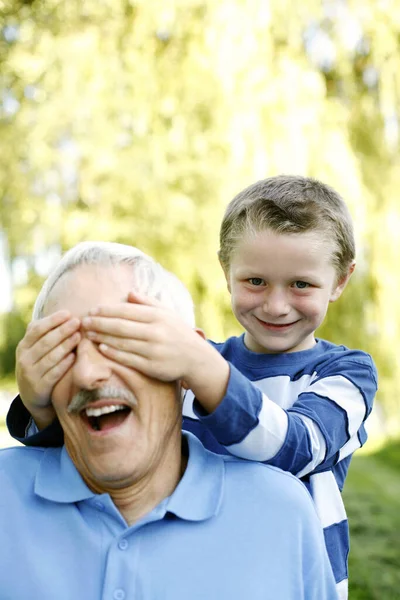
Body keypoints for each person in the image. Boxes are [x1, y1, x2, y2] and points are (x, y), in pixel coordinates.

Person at [7, 176, 377, 599]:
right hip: (187, 558)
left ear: (341, 281)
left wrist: (200, 366)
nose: (276, 305)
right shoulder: (200, 363)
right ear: (226, 272)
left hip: (283, 571)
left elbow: (297, 449)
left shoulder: (347, 373)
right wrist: (41, 408)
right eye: (255, 281)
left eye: (301, 284)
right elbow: (112, 436)